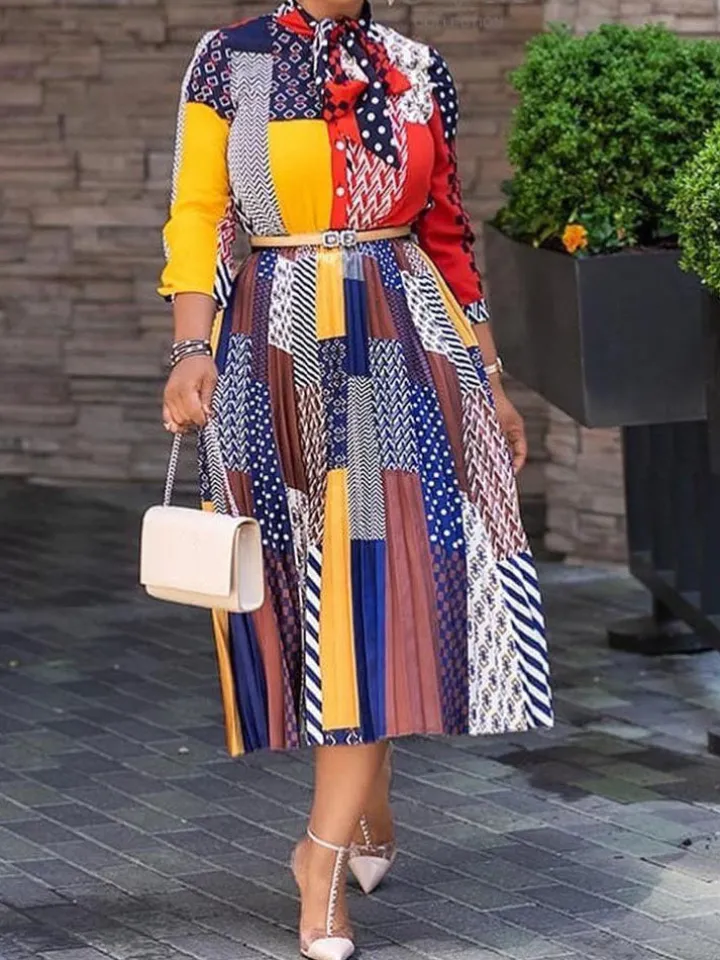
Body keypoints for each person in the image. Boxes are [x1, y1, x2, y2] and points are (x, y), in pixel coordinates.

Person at [159, 1, 553, 957]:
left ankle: (322, 860)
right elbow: (201, 212)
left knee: (371, 586)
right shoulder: (231, 58)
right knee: (311, 592)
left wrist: (492, 376)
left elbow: (448, 232)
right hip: (276, 348)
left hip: (397, 353)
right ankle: (366, 800)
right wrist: (188, 346)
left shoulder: (418, 65)